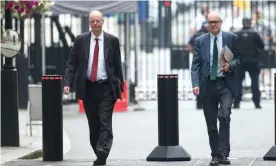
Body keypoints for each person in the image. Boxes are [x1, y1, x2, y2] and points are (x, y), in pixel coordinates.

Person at [63, 10, 124, 166]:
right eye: (92, 21)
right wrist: (67, 83)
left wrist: (120, 86)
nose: (95, 23)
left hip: (106, 88)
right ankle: (99, 152)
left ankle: (103, 149)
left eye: (98, 21)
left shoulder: (112, 41)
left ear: (103, 22)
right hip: (88, 88)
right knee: (94, 124)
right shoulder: (81, 40)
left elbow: (118, 65)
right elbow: (72, 63)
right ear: (89, 23)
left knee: (105, 121)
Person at [191, 11, 241, 166]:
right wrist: (195, 84)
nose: (212, 24)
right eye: (210, 22)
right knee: (211, 122)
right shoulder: (200, 41)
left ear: (221, 22)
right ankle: (215, 155)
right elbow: (196, 64)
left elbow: (238, 58)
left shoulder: (231, 38)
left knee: (224, 116)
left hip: (226, 84)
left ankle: (224, 154)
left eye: (215, 21)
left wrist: (229, 65)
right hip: (208, 85)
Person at [233, 18, 264, 109]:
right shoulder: (254, 34)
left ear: (242, 23)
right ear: (250, 23)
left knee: (238, 82)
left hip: (240, 61)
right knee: (255, 82)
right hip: (253, 60)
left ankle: (236, 103)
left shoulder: (236, 34)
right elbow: (261, 46)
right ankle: (257, 103)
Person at [188, 21, 209, 109]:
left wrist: (193, 52)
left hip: (199, 60)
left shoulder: (196, 34)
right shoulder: (208, 35)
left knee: (200, 81)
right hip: (204, 61)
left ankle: (199, 103)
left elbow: (189, 44)